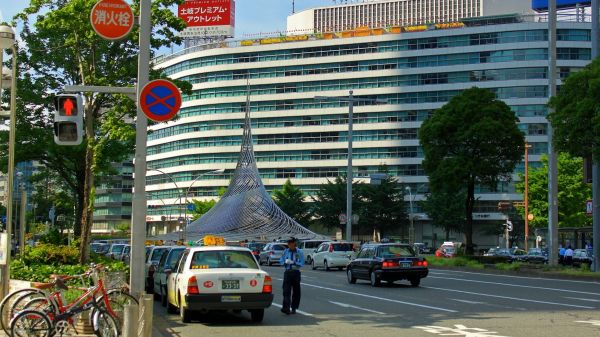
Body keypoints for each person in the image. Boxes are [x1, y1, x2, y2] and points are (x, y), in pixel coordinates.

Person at [279, 237, 304, 315]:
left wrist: (294, 262)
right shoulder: (285, 251)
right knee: (286, 291)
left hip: (296, 273)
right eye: (288, 244)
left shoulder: (299, 252)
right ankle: (286, 308)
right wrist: (285, 263)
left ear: (294, 244)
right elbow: (281, 261)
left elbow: (302, 262)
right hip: (288, 272)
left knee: (296, 292)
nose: (289, 245)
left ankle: (294, 308)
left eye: (290, 243)